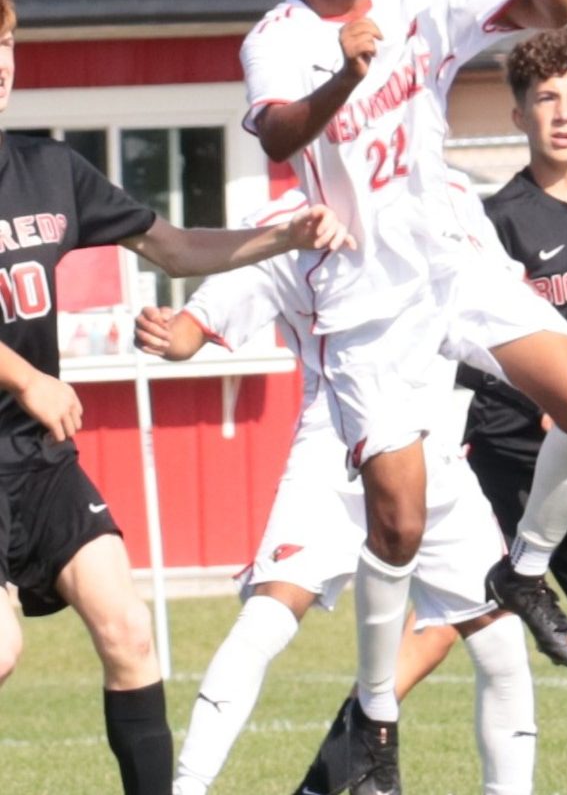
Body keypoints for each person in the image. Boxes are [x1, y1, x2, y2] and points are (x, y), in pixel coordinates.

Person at [239, 0, 567, 793]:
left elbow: (552, 12)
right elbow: (283, 133)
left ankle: (524, 570)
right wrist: (345, 76)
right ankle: (375, 722)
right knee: (398, 526)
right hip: (367, 301)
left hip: (451, 261)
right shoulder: (277, 37)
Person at [0, 0, 350, 795]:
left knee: (128, 629)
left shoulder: (50, 169)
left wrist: (280, 234)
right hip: (27, 418)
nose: (0, 65)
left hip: (37, 457)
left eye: (7, 46)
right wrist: (25, 377)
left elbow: (175, 247)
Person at [334, 29, 567, 795]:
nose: (563, 114)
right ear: (518, 114)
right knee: (432, 639)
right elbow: (461, 343)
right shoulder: (496, 218)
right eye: (546, 99)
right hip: (505, 448)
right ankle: (338, 769)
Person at [135, 255, 535, 795]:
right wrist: (171, 332)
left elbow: (510, 305)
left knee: (501, 642)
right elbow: (198, 324)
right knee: (266, 619)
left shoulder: (441, 204)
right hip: (334, 446)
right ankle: (186, 788)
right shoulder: (291, 229)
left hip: (430, 453)